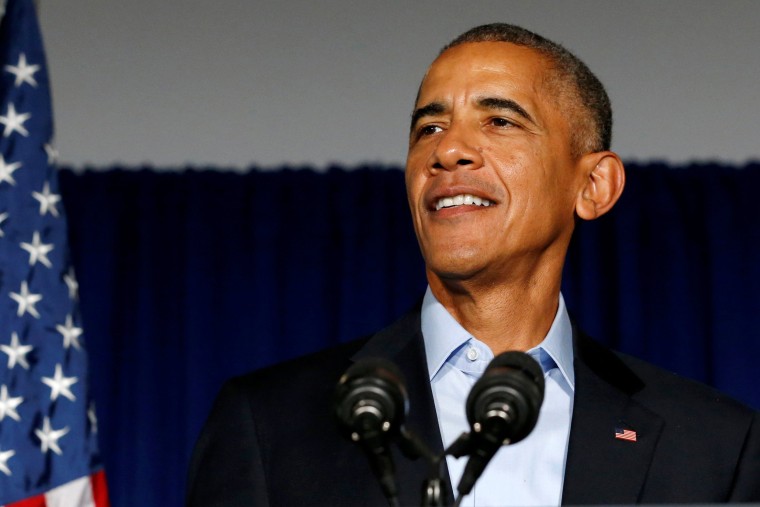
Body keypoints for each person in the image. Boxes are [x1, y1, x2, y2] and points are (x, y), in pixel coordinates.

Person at [186, 23, 760, 507]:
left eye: (499, 121)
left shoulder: (714, 444)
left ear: (593, 185)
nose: (446, 150)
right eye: (428, 128)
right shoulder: (269, 423)